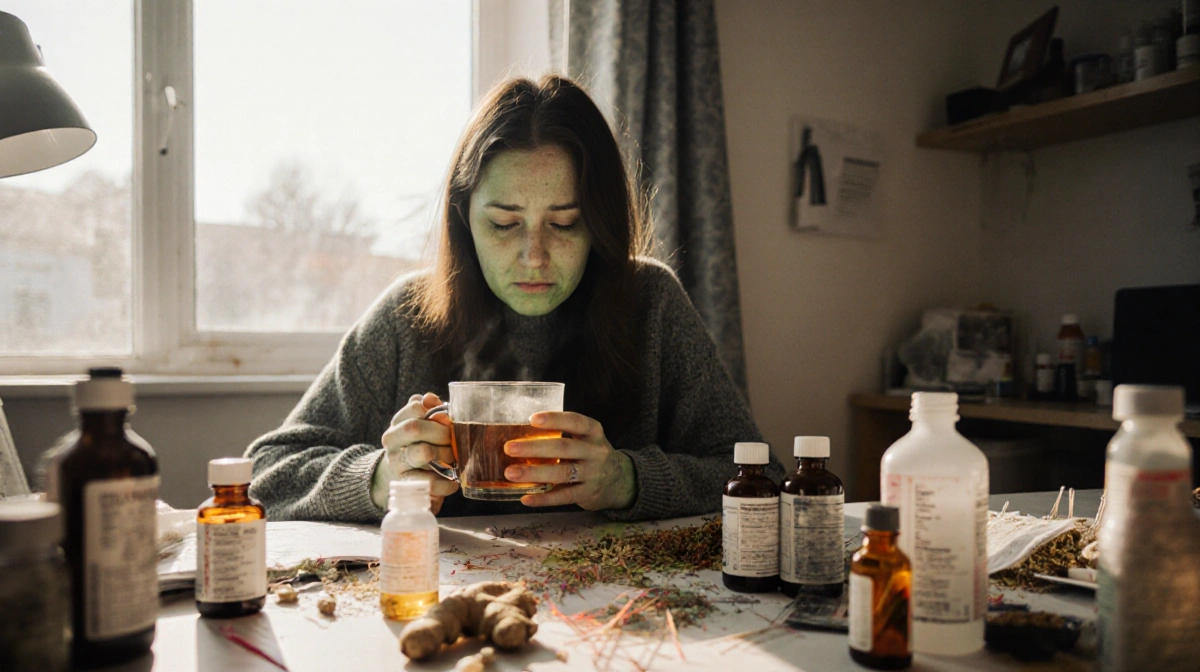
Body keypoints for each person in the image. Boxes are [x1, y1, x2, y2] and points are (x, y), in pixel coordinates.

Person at [246, 75, 783, 522]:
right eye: (504, 224)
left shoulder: (650, 303)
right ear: (464, 219)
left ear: (600, 224)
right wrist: (380, 479)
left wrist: (626, 478)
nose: (534, 256)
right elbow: (263, 476)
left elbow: (765, 479)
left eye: (565, 223)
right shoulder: (408, 315)